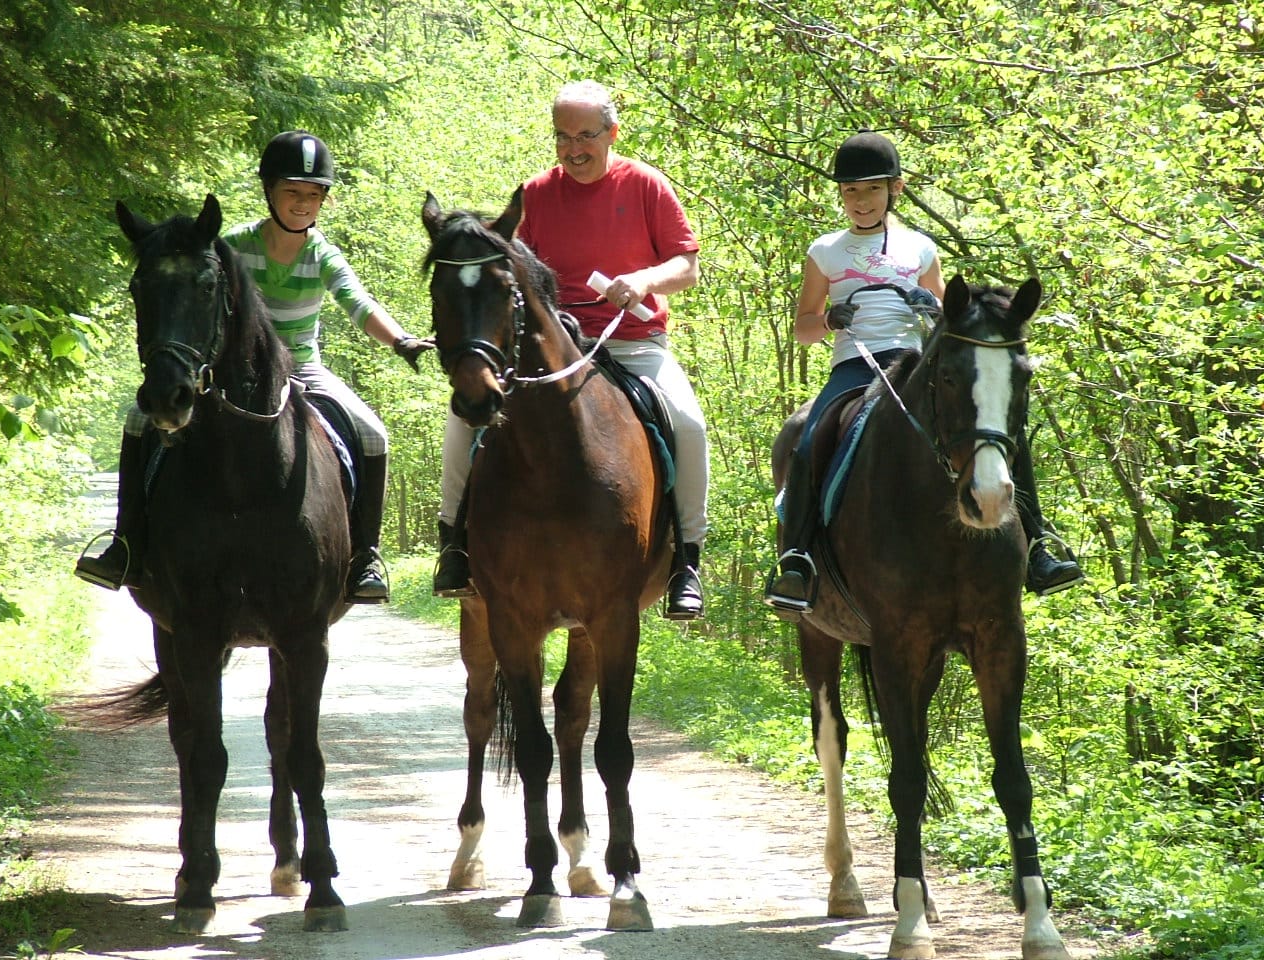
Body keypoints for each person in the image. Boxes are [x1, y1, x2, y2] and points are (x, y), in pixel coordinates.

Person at [76, 130, 429, 603]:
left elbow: (358, 304)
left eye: (313, 194)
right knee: (139, 420)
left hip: (301, 369)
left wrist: (401, 340)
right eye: (292, 191)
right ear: (269, 192)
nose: (302, 203)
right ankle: (126, 544)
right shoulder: (233, 246)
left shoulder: (322, 254)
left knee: (373, 434)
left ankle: (364, 556)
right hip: (235, 368)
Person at [763, 130, 1083, 618]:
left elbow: (952, 318)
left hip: (914, 366)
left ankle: (1039, 544)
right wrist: (829, 320)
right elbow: (802, 329)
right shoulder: (825, 250)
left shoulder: (920, 248)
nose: (861, 201)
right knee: (808, 438)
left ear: (896, 189)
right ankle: (798, 558)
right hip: (854, 366)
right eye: (851, 191)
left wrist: (929, 306)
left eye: (872, 189)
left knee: (1001, 431)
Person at [434, 79, 710, 620]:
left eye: (586, 136)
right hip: (554, 347)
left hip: (632, 342)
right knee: (464, 419)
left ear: (612, 133)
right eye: (563, 136)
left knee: (688, 423)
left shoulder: (646, 185)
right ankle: (454, 545)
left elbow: (687, 266)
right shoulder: (536, 194)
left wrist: (644, 280)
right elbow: (509, 277)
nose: (574, 149)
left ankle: (687, 559)